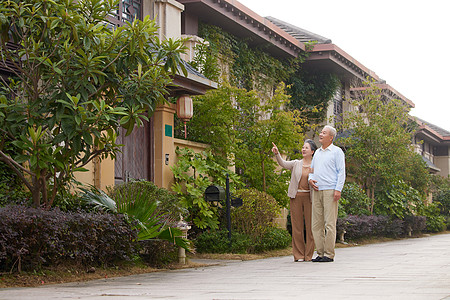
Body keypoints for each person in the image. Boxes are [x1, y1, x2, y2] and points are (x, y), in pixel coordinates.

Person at [272, 140, 318, 262]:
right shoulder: (296, 163)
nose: (303, 149)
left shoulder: (316, 165)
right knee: (296, 226)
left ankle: (308, 255)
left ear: (312, 151)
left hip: (310, 198)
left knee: (310, 227)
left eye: (306, 148)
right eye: (303, 147)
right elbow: (283, 163)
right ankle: (298, 255)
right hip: (296, 197)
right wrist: (277, 154)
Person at [308, 125, 345, 262]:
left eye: (324, 133)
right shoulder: (317, 152)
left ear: (331, 137)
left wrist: (338, 189)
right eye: (321, 132)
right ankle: (320, 253)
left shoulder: (337, 152)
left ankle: (329, 254)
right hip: (317, 189)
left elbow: (341, 172)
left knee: (329, 223)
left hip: (330, 190)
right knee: (316, 224)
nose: (321, 134)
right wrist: (310, 180)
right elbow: (311, 170)